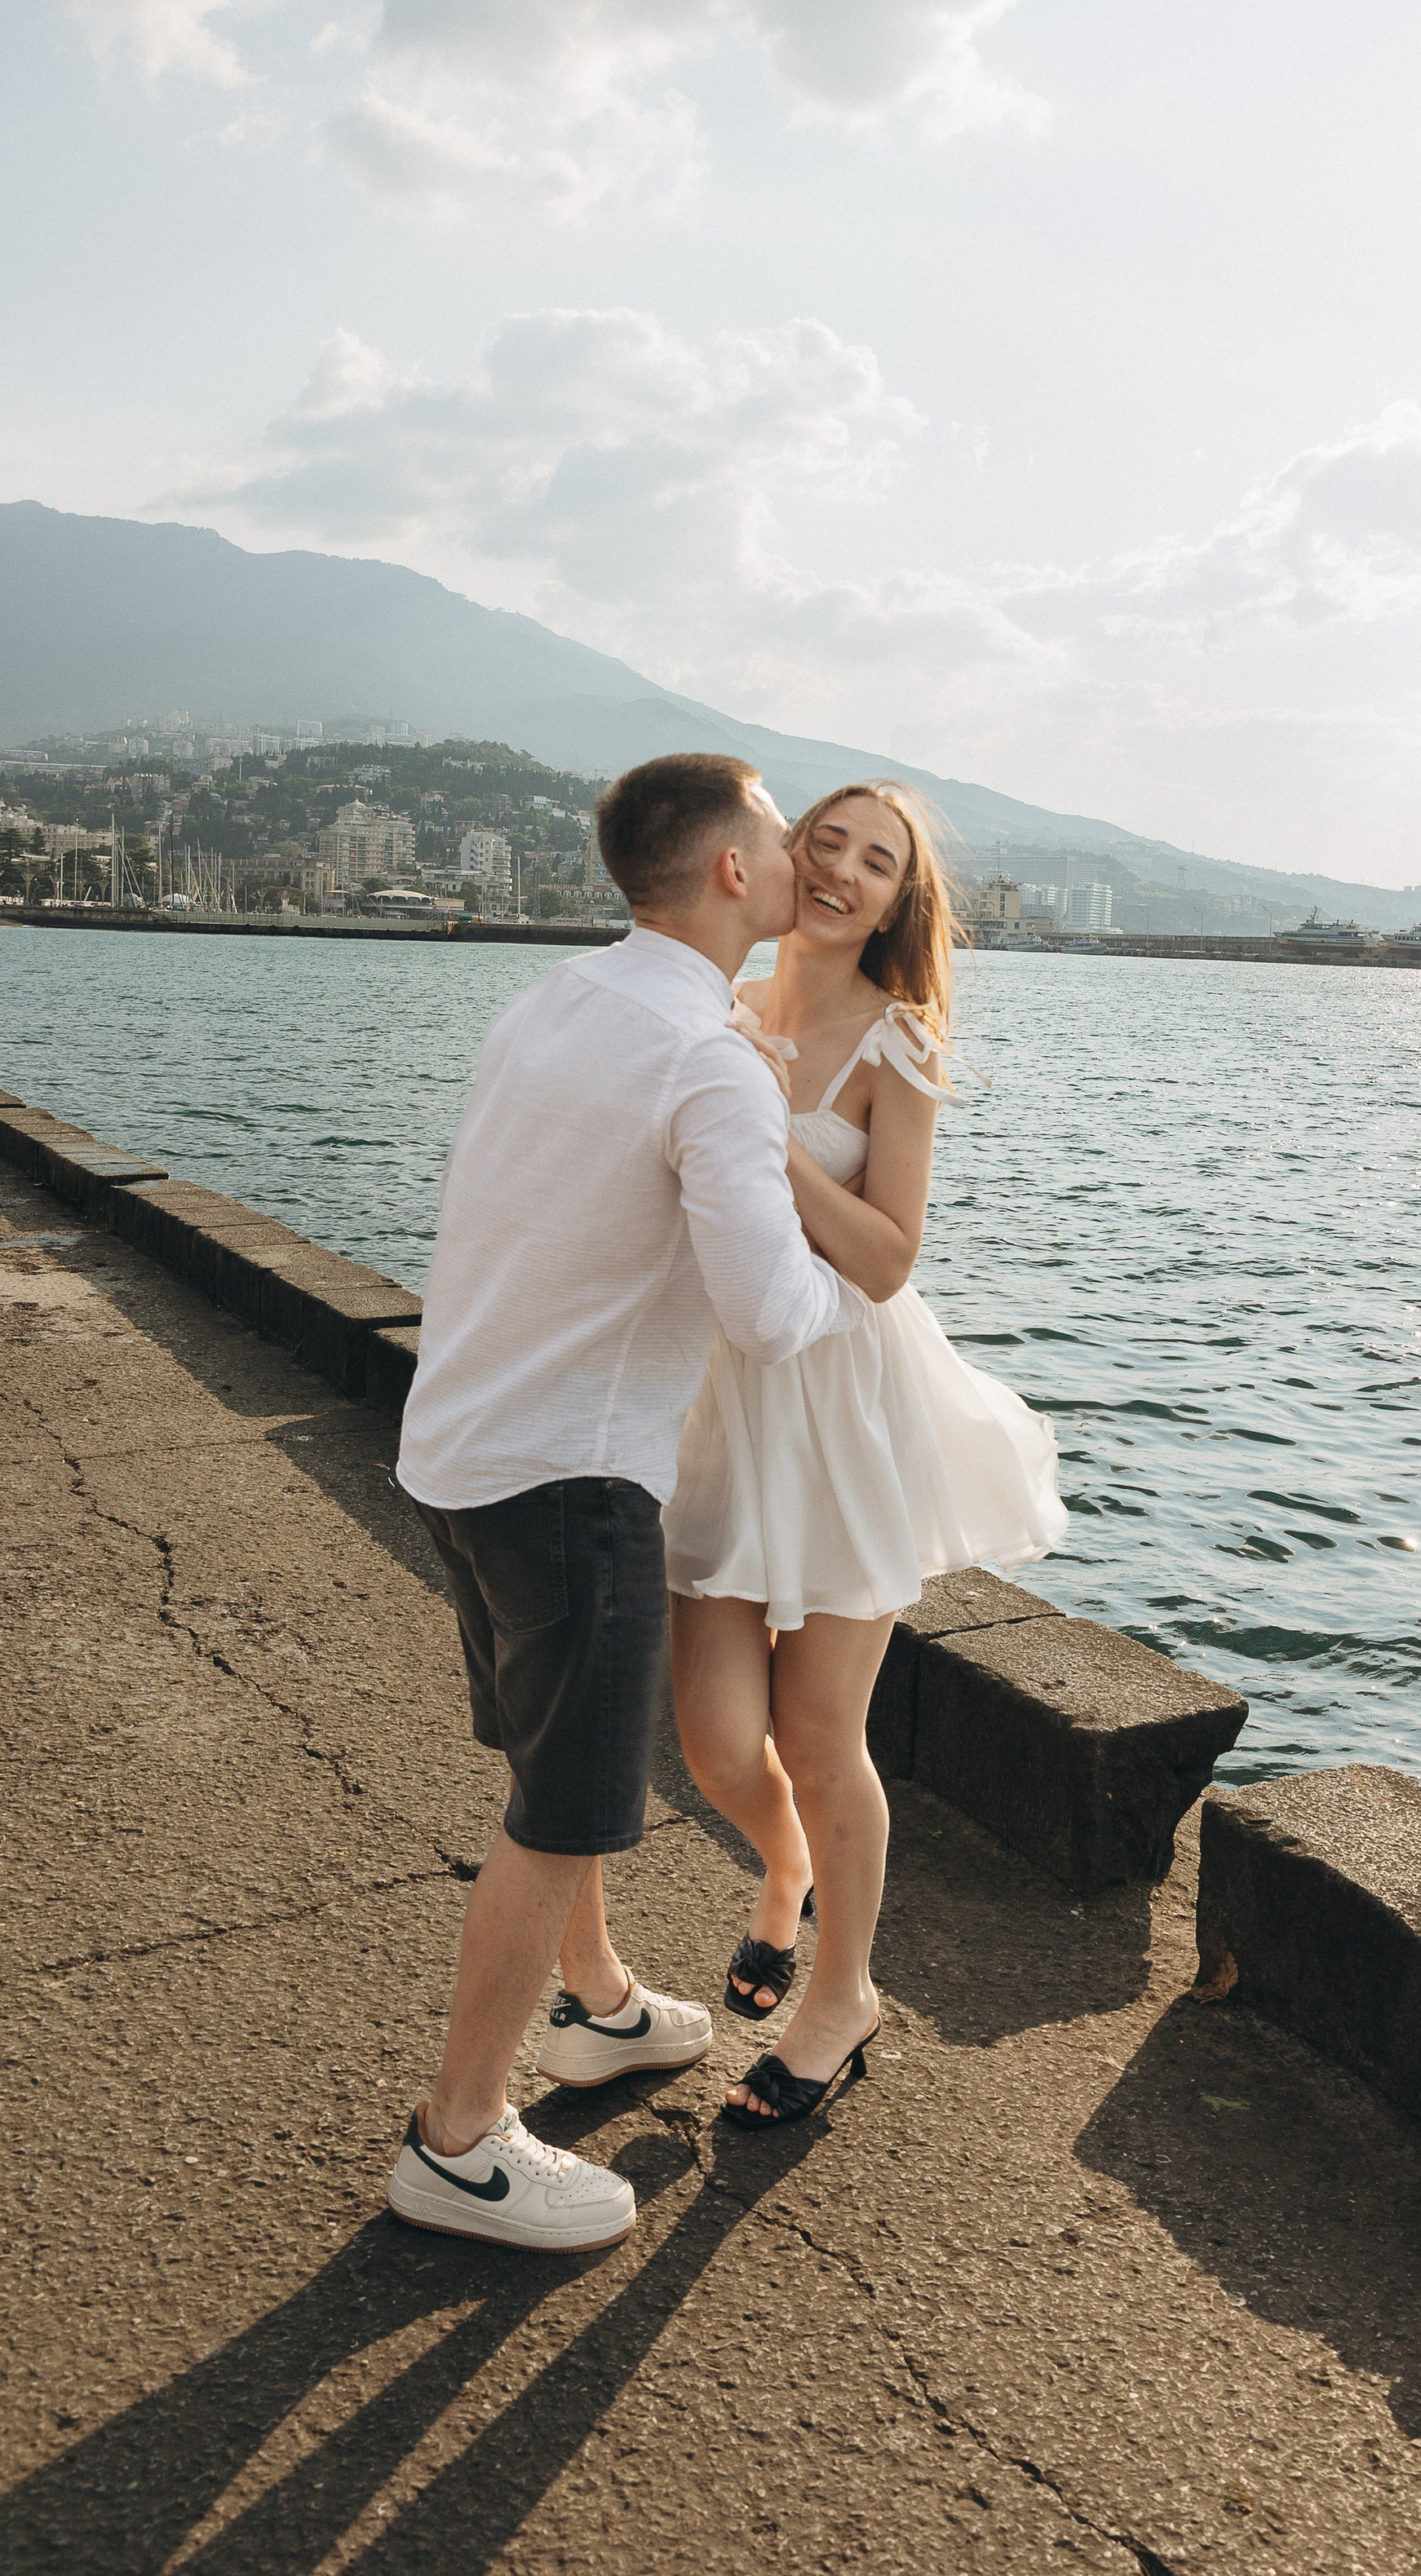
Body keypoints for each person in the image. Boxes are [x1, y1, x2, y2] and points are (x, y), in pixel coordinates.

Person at [387, 753, 865, 2252]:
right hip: (570, 1477)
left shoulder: (552, 1001)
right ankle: (458, 2142)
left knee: (549, 1764)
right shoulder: (707, 1060)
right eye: (782, 835)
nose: (800, 859)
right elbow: (771, 1314)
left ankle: (598, 2008)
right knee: (563, 1812)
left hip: (457, 1443)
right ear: (730, 868)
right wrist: (864, 1287)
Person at [664, 781, 1065, 2128]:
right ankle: (786, 1873)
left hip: (849, 1405)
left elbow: (889, 1259)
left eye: (876, 862)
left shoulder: (899, 1042)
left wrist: (763, 1142)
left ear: (901, 901)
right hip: (724, 1397)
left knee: (820, 1734)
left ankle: (842, 1997)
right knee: (717, 1740)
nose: (841, 871)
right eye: (824, 842)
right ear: (781, 856)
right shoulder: (716, 1008)